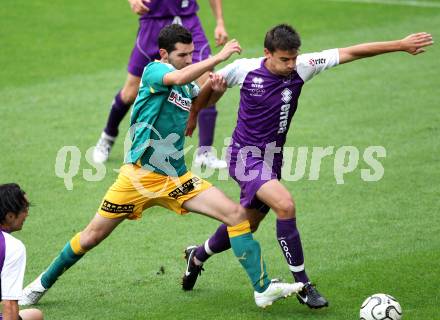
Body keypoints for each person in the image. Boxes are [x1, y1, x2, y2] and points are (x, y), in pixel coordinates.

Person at [19, 24, 304, 309]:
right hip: (138, 179)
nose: (189, 60)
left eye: (192, 54)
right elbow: (179, 76)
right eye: (183, 55)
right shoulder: (153, 71)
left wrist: (214, 91)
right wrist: (218, 58)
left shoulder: (188, 84)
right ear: (164, 54)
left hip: (177, 178)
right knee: (91, 237)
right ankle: (40, 283)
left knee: (237, 218)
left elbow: (199, 103)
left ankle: (263, 289)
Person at [181, 24, 434, 309]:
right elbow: (208, 89)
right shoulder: (244, 69)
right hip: (243, 156)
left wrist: (399, 44)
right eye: (284, 60)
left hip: (272, 159)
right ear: (268, 53)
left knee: (245, 222)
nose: (291, 65)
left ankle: (198, 255)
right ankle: (303, 284)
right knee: (285, 205)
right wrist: (194, 114)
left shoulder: (304, 66)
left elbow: (350, 51)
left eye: (293, 58)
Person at [93, 0, 229, 169]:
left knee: (206, 81)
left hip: (187, 21)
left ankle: (205, 152)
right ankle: (108, 136)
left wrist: (220, 22)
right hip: (152, 23)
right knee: (130, 93)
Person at [0, 183, 43, 320]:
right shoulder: (12, 247)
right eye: (24, 209)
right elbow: (10, 305)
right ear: (10, 216)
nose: (27, 214)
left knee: (34, 315)